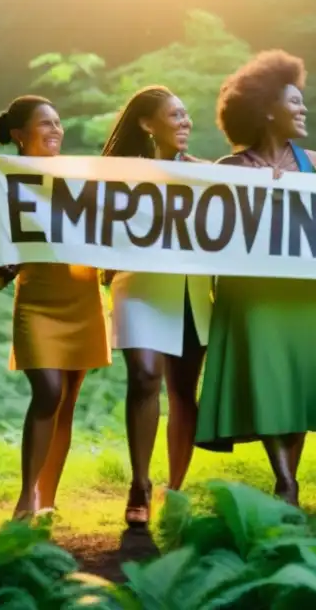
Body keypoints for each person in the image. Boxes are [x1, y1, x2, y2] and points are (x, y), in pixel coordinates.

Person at [194, 50, 316, 506]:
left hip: (310, 295)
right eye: (294, 101)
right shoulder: (227, 171)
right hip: (254, 296)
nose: (303, 109)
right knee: (269, 380)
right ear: (268, 109)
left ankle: (291, 478)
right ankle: (285, 480)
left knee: (299, 382)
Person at [0, 95, 111, 519]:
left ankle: (48, 497)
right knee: (48, 392)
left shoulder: (80, 175)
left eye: (58, 123)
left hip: (83, 297)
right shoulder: (1, 179)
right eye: (45, 124)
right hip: (37, 301)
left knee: (67, 401)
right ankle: (27, 497)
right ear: (18, 135)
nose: (56, 130)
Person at [99, 86, 213, 527]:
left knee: (184, 390)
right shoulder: (119, 173)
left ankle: (176, 488)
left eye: (187, 115)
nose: (185, 122)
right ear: (148, 124)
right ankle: (140, 483)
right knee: (146, 376)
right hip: (141, 287)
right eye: (174, 115)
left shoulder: (207, 175)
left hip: (190, 291)